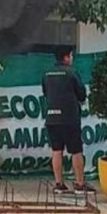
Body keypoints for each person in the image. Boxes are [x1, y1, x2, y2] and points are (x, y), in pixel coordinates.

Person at [42, 47, 95, 195]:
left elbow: (45, 92)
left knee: (56, 151)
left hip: (52, 118)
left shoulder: (47, 73)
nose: (72, 58)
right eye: (71, 56)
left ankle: (59, 184)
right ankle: (79, 184)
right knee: (76, 151)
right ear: (66, 57)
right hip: (69, 118)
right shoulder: (72, 72)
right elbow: (82, 94)